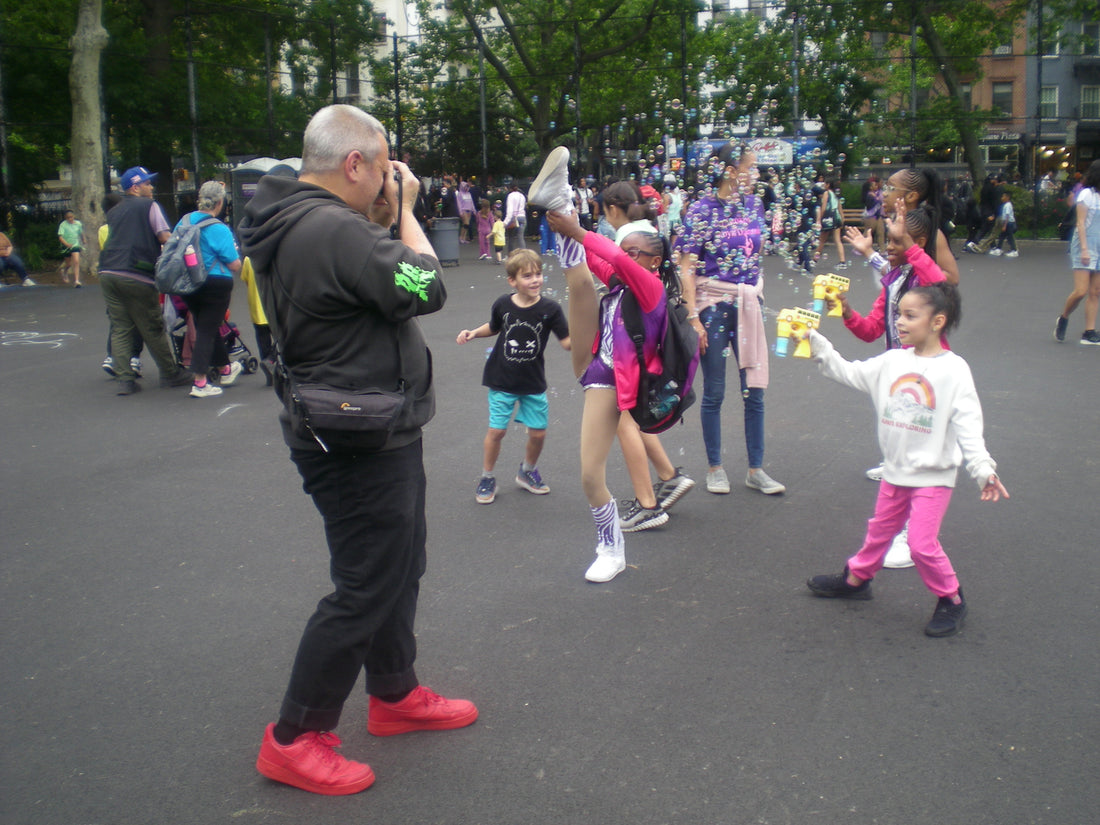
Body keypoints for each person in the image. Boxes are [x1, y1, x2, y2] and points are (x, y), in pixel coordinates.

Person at [238, 104, 476, 796]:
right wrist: (403, 210)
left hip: (359, 423)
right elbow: (426, 283)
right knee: (367, 581)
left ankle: (394, 691)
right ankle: (295, 736)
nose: (386, 175)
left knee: (399, 563)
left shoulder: (294, 217)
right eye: (382, 162)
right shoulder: (332, 228)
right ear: (355, 164)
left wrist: (387, 203)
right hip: (356, 436)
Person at [803, 283, 1009, 637]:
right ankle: (856, 580)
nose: (899, 322)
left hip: (933, 476)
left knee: (921, 544)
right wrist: (817, 344)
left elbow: (969, 426)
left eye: (910, 316)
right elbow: (849, 372)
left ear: (937, 322)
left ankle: (952, 599)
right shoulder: (892, 361)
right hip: (895, 471)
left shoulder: (954, 371)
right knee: (880, 530)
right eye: (899, 314)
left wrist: (983, 470)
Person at [841, 203, 948, 568]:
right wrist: (846, 311)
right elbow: (872, 329)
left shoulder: (926, 282)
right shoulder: (895, 280)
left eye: (896, 239)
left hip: (926, 376)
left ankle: (912, 535)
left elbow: (939, 281)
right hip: (898, 376)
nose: (889, 245)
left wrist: (910, 248)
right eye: (887, 239)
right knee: (899, 456)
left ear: (917, 241)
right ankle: (897, 531)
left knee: (919, 456)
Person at [676, 142, 785, 497]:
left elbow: (754, 254)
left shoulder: (754, 204)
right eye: (749, 167)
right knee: (716, 391)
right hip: (713, 307)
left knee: (754, 389)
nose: (754, 175)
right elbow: (687, 267)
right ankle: (715, 467)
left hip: (747, 303)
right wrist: (693, 317)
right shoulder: (702, 210)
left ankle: (756, 468)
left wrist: (754, 288)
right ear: (728, 170)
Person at [456, 247, 570, 504]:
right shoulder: (503, 304)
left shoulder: (551, 309)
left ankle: (527, 471)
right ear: (513, 281)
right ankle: (487, 476)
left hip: (533, 382)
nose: (535, 280)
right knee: (496, 431)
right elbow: (494, 327)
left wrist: (588, 337)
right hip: (501, 379)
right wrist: (474, 332)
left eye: (538, 274)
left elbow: (567, 342)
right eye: (528, 276)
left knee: (538, 433)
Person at [98, 165, 193, 395]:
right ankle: (171, 373)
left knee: (121, 327)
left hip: (108, 271)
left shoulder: (115, 211)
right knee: (152, 325)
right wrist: (185, 249)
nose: (151, 187)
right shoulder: (150, 206)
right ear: (135, 187)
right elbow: (164, 237)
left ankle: (125, 380)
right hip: (137, 272)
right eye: (147, 183)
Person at [175, 181, 244, 398]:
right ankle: (200, 382)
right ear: (221, 202)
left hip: (188, 283)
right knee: (206, 329)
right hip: (215, 282)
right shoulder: (219, 228)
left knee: (206, 324)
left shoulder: (183, 222)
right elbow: (234, 264)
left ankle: (224, 368)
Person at [880, 167, 959, 285]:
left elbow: (952, 278)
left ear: (911, 196)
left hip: (921, 301)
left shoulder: (930, 232)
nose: (884, 193)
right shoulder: (894, 224)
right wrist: (868, 252)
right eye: (885, 188)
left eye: (891, 188)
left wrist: (916, 279)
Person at [1054, 159, 1100, 345]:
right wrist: (1083, 249)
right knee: (1081, 291)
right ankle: (1064, 317)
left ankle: (1089, 331)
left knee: (1095, 291)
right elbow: (1080, 223)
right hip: (1085, 244)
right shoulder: (1086, 195)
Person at [815, 178, 849, 269]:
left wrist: (819, 219)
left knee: (822, 239)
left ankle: (814, 259)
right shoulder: (836, 195)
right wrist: (842, 219)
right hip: (836, 217)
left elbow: (824, 207)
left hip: (828, 218)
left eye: (825, 183)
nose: (824, 185)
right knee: (838, 240)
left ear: (828, 184)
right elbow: (840, 208)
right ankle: (842, 261)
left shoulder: (827, 193)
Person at [57, 209, 85, 287]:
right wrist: (66, 244)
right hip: (66, 245)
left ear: (74, 216)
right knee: (68, 264)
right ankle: (65, 271)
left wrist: (83, 239)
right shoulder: (63, 225)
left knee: (76, 261)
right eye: (68, 218)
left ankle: (77, 281)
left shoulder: (78, 224)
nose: (70, 219)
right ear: (66, 218)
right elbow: (60, 237)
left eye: (71, 217)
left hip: (75, 244)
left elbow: (81, 232)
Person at [988, 191, 1018, 258]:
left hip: (1009, 223)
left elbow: (1007, 216)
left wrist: (1004, 225)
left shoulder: (1007, 205)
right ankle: (998, 249)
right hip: (1008, 223)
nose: (1002, 198)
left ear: (1007, 197)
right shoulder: (1007, 205)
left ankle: (1014, 251)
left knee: (1010, 237)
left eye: (1003, 196)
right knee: (1002, 236)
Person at [861, 176, 885, 250]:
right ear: (871, 187)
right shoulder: (869, 195)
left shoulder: (875, 194)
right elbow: (869, 207)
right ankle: (861, 246)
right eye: (875, 185)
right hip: (871, 216)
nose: (876, 186)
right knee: (868, 232)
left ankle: (882, 249)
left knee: (881, 232)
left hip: (877, 215)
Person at [504, 181, 527, 255]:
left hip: (514, 218)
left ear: (510, 188)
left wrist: (505, 222)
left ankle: (510, 255)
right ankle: (524, 256)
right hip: (522, 218)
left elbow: (510, 211)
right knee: (521, 237)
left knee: (511, 238)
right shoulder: (522, 196)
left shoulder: (510, 196)